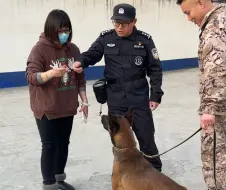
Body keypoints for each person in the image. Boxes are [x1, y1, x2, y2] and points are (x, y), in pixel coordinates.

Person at [72, 3, 164, 171]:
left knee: (146, 138)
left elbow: (155, 69)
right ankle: (123, 171)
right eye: (116, 23)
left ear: (134, 22)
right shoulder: (106, 38)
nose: (119, 27)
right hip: (115, 97)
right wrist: (81, 61)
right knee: (118, 139)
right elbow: (92, 54)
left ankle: (154, 171)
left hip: (138, 96)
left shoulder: (144, 40)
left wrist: (155, 94)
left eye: (124, 23)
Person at [176, 0, 226, 189]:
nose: (188, 18)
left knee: (215, 160)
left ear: (200, 3)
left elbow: (218, 69)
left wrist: (209, 107)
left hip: (221, 109)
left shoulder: (214, 27)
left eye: (188, 12)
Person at [25, 9, 88, 190]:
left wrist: (84, 101)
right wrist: (52, 73)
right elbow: (31, 77)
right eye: (60, 31)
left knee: (63, 145)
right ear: (51, 29)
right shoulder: (39, 49)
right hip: (47, 108)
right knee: (50, 146)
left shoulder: (73, 49)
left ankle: (59, 179)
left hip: (66, 106)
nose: (64, 34)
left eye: (67, 30)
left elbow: (80, 78)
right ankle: (49, 184)